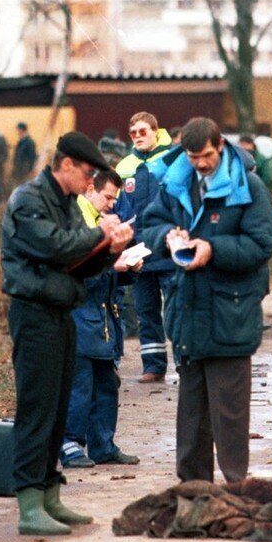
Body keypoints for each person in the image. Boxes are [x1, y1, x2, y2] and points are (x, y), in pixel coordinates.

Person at [1, 131, 133, 536]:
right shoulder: (28, 200)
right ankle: (28, 503)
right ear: (67, 166)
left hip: (63, 313)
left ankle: (49, 494)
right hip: (34, 313)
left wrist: (109, 250)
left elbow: (79, 262)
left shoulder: (68, 204)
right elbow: (55, 248)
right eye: (88, 173)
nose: (91, 182)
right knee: (37, 408)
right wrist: (100, 235)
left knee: (59, 408)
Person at [140, 117, 272, 484]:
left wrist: (212, 249)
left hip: (230, 313)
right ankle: (194, 488)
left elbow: (262, 244)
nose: (199, 163)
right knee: (191, 413)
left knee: (230, 414)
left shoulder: (248, 186)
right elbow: (148, 224)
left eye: (204, 156)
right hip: (188, 312)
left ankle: (236, 484)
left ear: (220, 146)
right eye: (191, 155)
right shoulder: (175, 183)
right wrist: (167, 237)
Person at [61, 170, 142, 469]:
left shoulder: (100, 224)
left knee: (106, 384)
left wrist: (128, 269)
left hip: (104, 319)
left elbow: (105, 279)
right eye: (108, 197)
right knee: (80, 386)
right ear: (91, 189)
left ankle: (102, 445)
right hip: (81, 318)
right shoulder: (78, 225)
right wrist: (113, 264)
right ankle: (70, 445)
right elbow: (79, 275)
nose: (111, 205)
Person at [115, 111, 175, 383]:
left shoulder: (173, 159)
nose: (138, 137)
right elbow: (118, 208)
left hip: (167, 248)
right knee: (145, 310)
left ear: (155, 130)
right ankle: (153, 365)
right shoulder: (124, 166)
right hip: (138, 250)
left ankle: (186, 362)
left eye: (143, 131)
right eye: (133, 133)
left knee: (176, 308)